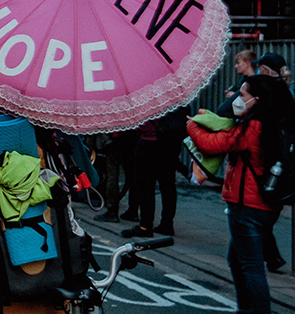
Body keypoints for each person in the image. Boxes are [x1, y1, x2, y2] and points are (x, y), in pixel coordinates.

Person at [187, 74, 295, 314]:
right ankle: (245, 310)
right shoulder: (274, 122)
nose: (237, 98)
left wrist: (192, 125)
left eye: (242, 95)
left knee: (251, 267)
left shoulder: (253, 126)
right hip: (265, 205)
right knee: (237, 262)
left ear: (257, 99)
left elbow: (213, 144)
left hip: (246, 206)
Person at [121, 106, 188, 238]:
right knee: (168, 186)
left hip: (149, 143)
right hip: (170, 145)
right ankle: (167, 224)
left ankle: (145, 226)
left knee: (146, 187)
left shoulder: (149, 94)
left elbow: (140, 124)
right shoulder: (175, 95)